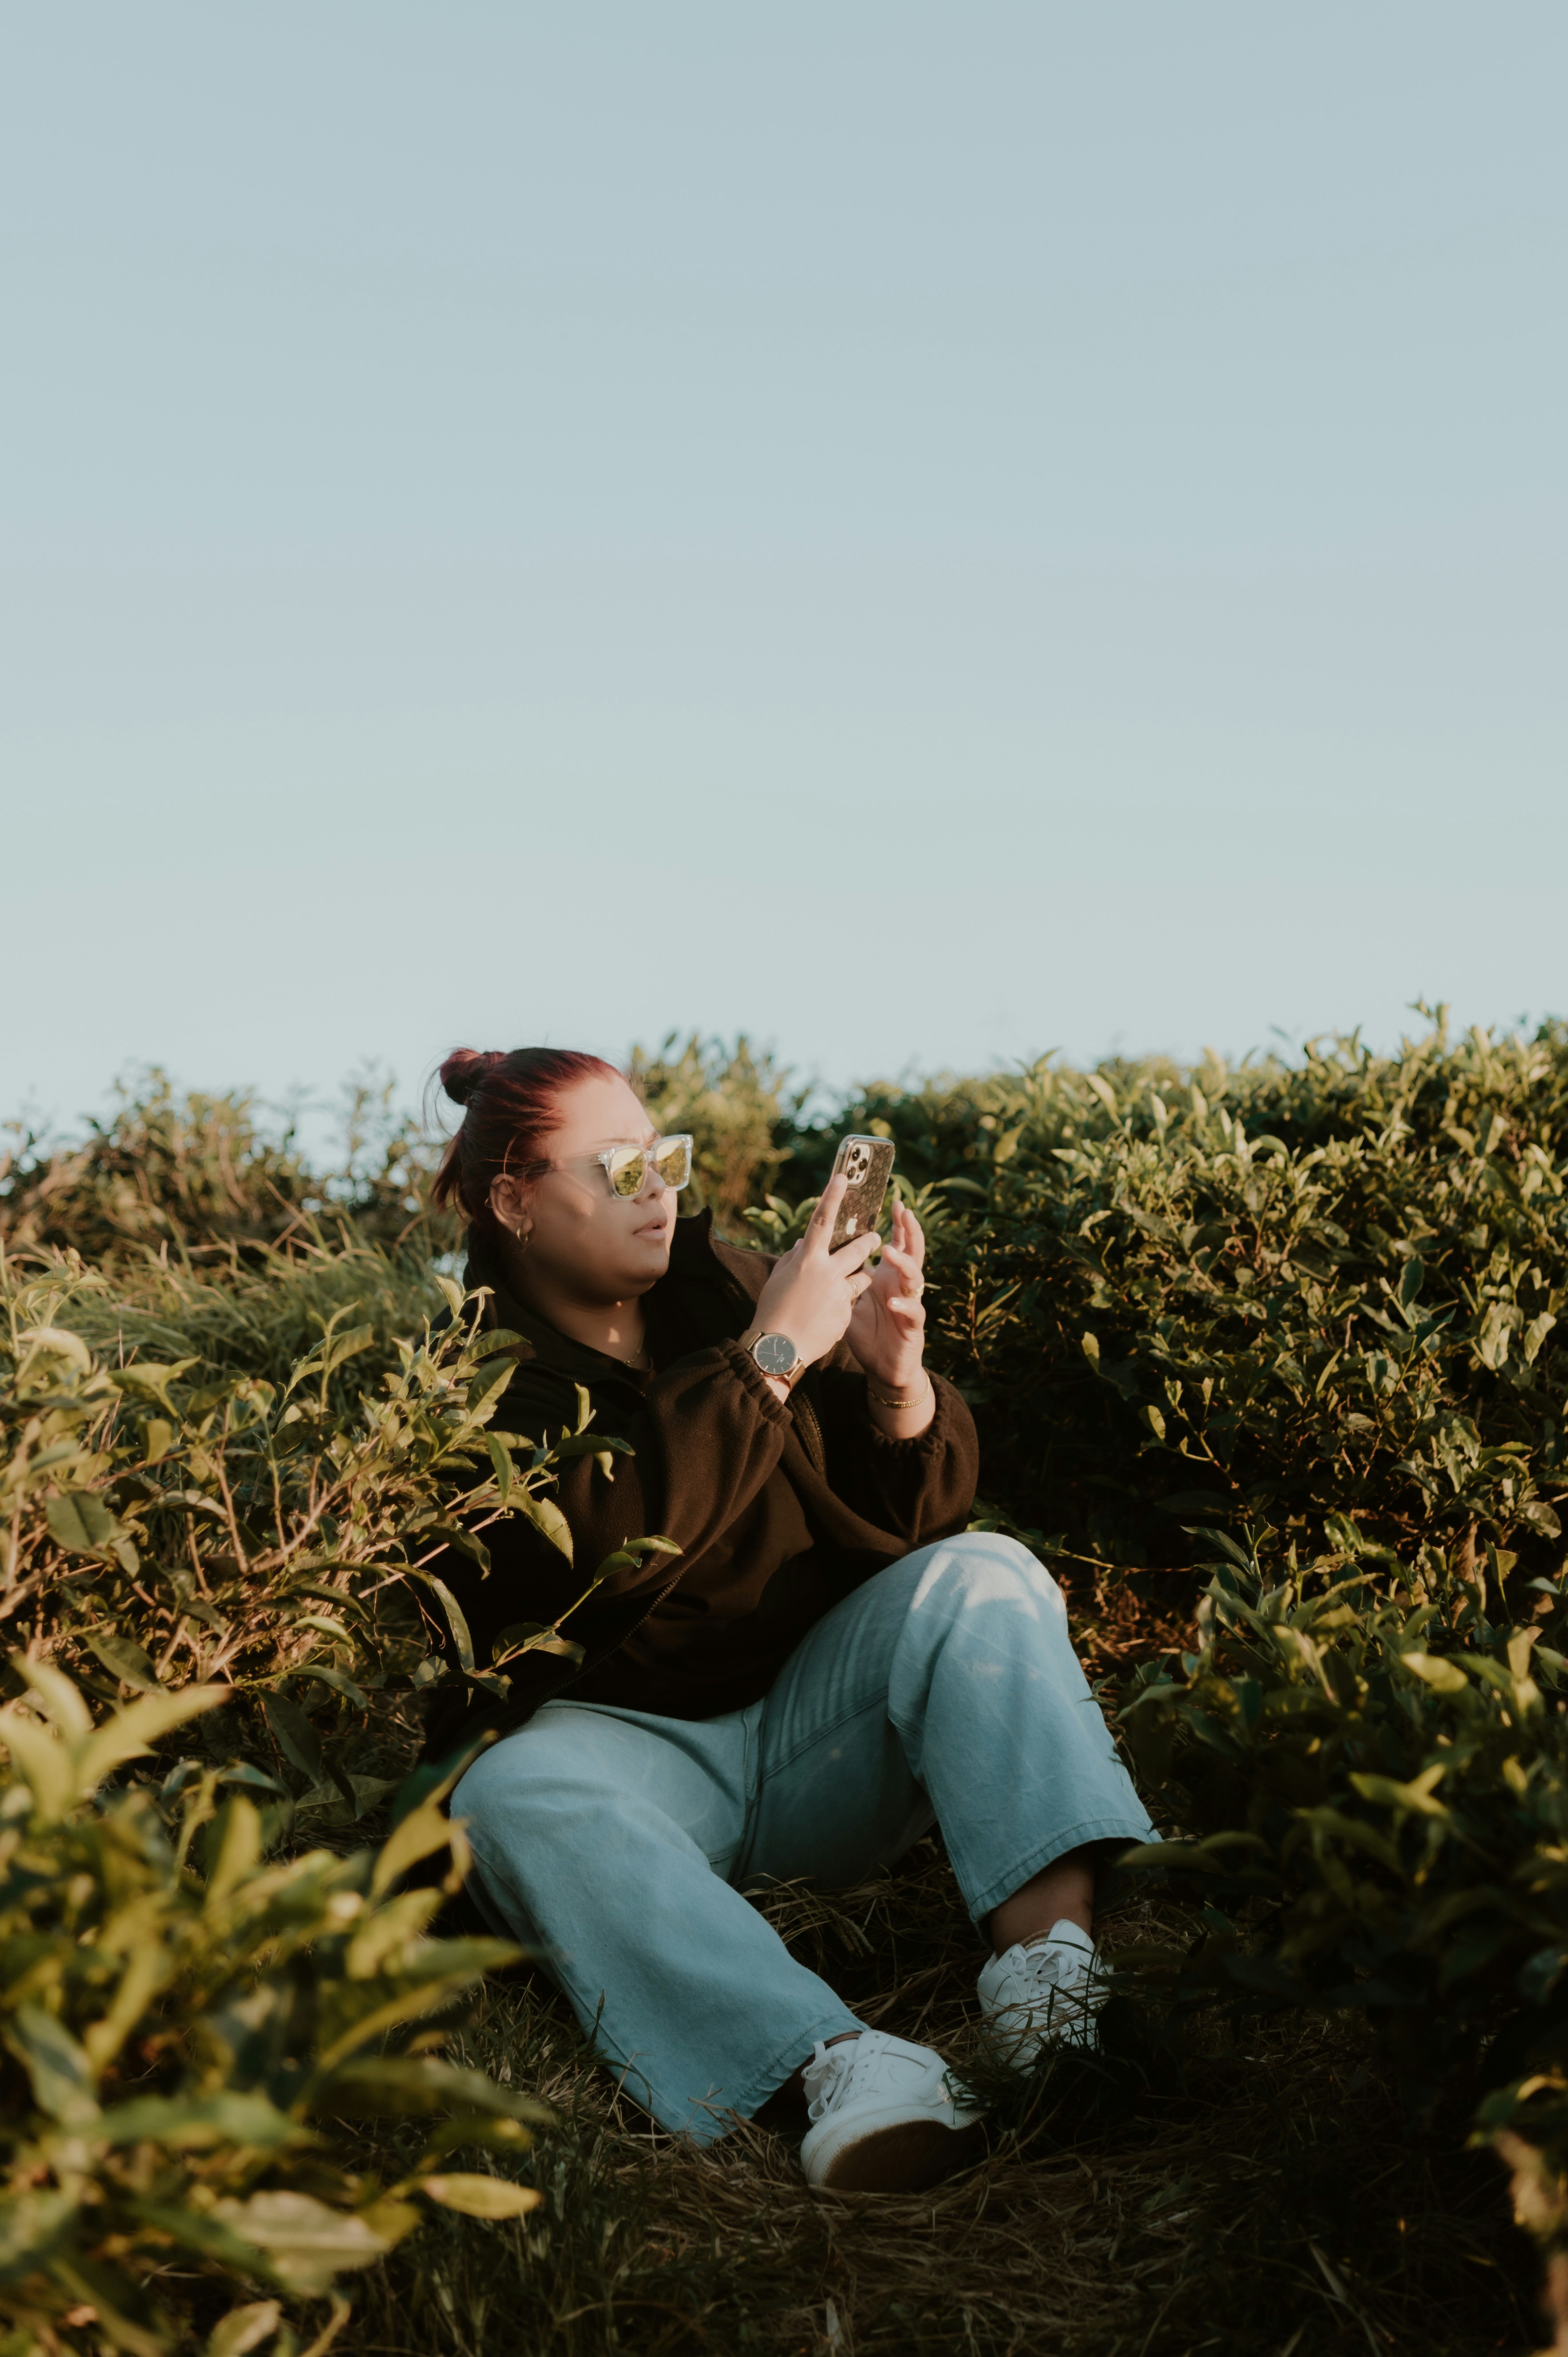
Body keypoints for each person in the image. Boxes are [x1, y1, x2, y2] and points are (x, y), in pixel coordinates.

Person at [424, 1046, 1156, 2192]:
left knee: (986, 1572)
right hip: (634, 1765)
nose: (657, 1190)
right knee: (506, 1794)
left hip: (814, 1726)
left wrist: (894, 1383)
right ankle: (840, 2066)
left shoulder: (730, 1283)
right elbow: (609, 1555)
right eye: (617, 1169)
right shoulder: (471, 1375)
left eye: (663, 1158)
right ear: (512, 1201)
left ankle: (1050, 1985)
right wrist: (767, 1360)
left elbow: (905, 1530)